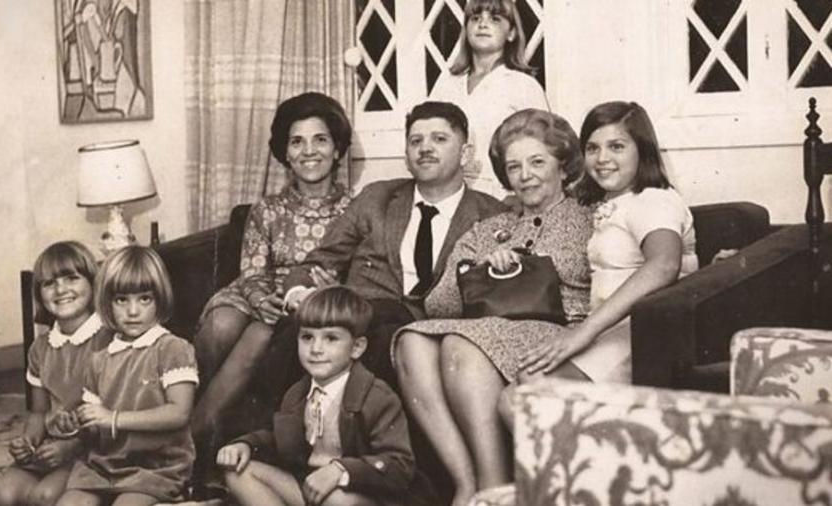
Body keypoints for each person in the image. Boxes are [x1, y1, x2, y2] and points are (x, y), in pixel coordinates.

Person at [393, 109, 592, 505]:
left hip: (560, 335)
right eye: (514, 166)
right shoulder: (487, 229)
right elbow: (438, 306)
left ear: (563, 165)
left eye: (537, 162)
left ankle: (491, 485)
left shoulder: (590, 219)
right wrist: (478, 269)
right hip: (489, 334)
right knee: (411, 340)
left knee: (461, 344)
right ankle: (466, 481)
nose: (525, 175)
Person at [498, 101, 699, 430]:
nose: (602, 158)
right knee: (511, 399)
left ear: (642, 149)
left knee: (528, 393)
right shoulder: (614, 202)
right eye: (592, 148)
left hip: (643, 334)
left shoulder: (654, 199)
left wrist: (583, 332)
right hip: (611, 330)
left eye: (616, 146)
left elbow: (664, 265)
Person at [280, 100, 506, 389]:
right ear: (406, 155)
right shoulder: (377, 198)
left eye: (439, 139)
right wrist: (300, 294)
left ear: (465, 154)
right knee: (296, 330)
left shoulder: (492, 215)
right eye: (416, 141)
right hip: (361, 315)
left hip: (431, 329)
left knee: (385, 331)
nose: (425, 148)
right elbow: (319, 261)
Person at [189, 92, 353, 486]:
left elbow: (358, 272)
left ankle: (190, 443)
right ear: (285, 153)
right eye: (297, 142)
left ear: (336, 149)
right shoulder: (268, 209)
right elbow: (251, 271)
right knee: (221, 325)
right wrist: (262, 299)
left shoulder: (354, 208)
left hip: (307, 304)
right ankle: (202, 422)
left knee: (261, 336)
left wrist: (333, 289)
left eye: (320, 140)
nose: (309, 151)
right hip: (255, 294)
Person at [218, 286, 419, 506]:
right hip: (311, 489)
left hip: (355, 494)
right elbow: (280, 439)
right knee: (239, 472)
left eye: (331, 338)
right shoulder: (298, 393)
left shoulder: (376, 397)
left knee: (336, 501)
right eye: (307, 337)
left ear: (357, 347)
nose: (315, 349)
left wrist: (341, 470)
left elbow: (400, 465)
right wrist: (247, 445)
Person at [55, 246, 198, 506]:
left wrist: (114, 418)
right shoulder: (99, 360)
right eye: (121, 300)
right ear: (107, 303)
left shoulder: (172, 349)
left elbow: (179, 413)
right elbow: (94, 427)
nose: (133, 311)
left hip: (157, 466)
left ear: (160, 300)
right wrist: (76, 422)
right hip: (105, 465)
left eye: (144, 299)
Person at [0, 241, 112, 506]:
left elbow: (116, 412)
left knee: (43, 497)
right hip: (54, 444)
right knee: (2, 494)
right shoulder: (41, 348)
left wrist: (72, 446)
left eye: (72, 278)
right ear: (39, 294)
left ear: (93, 283)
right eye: (49, 283)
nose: (60, 289)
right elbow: (38, 412)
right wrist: (28, 441)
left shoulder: (108, 340)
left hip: (96, 447)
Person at [429, 0, 549, 200]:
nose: (482, 24)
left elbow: (543, 148)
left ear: (511, 33)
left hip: (501, 196)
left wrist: (518, 197)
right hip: (448, 195)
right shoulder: (447, 83)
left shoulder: (523, 85)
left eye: (494, 19)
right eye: (475, 18)